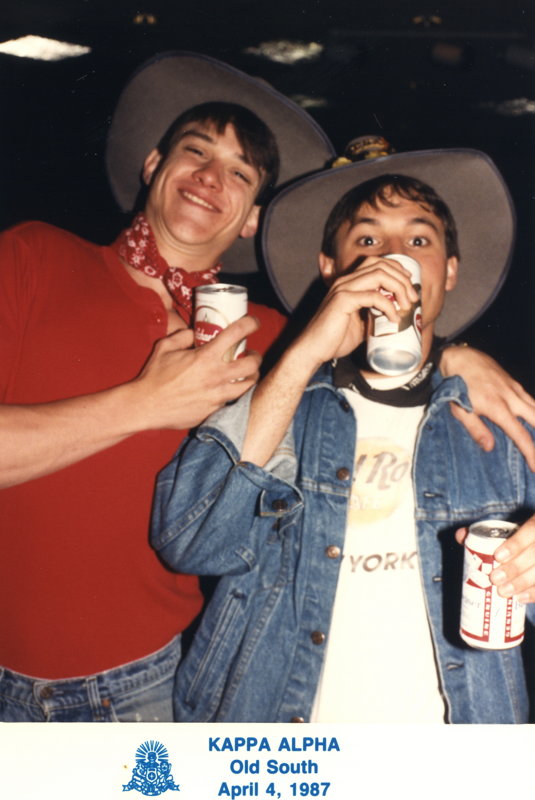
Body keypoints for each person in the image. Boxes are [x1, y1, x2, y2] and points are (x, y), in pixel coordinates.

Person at [0, 51, 336, 722]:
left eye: (239, 173)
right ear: (153, 165)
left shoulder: (270, 339)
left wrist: (461, 357)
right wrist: (147, 403)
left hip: (146, 684)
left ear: (251, 218)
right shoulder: (34, 256)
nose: (211, 177)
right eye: (196, 152)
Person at [151, 147, 535, 723]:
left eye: (419, 240)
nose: (393, 258)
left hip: (450, 749)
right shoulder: (284, 404)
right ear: (330, 268)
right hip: (284, 743)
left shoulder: (501, 413)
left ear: (449, 272)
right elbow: (190, 541)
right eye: (368, 240)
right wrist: (306, 352)